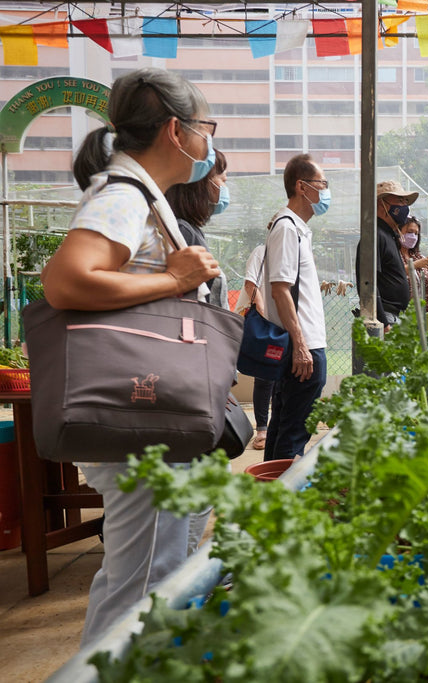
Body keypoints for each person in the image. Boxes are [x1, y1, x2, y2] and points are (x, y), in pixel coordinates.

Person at [41, 67, 221, 647]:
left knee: (146, 577)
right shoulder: (123, 197)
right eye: (205, 127)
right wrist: (173, 279)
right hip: (139, 424)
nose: (208, 141)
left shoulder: (143, 197)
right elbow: (66, 282)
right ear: (176, 130)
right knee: (143, 587)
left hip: (151, 419)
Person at [165, 148, 233, 555]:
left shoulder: (184, 229)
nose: (222, 187)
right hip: (192, 379)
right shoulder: (183, 234)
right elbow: (194, 315)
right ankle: (181, 583)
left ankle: (180, 574)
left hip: (192, 376)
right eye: (220, 177)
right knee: (199, 483)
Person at [261, 154, 328, 461]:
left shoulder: (295, 228)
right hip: (304, 348)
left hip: (304, 345)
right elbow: (280, 290)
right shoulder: (287, 228)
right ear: (302, 187)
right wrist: (301, 346)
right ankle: (281, 501)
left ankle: (269, 498)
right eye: (322, 184)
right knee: (294, 430)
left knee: (285, 425)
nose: (326, 191)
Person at [165, 148, 230, 308]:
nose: (225, 188)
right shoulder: (183, 231)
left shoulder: (190, 230)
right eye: (223, 180)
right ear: (201, 184)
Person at [357, 180, 419, 330]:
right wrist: (383, 322)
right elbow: (368, 283)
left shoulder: (388, 236)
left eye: (405, 201)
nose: (404, 206)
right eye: (399, 200)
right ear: (381, 204)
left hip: (394, 316)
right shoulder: (375, 235)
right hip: (385, 316)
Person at [237, 244, 272, 451]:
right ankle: (262, 429)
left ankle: (275, 425)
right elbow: (251, 285)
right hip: (266, 322)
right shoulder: (261, 251)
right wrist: (265, 314)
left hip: (287, 321)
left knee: (283, 376)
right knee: (265, 375)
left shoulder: (298, 250)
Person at [400, 215, 428, 313]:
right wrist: (415, 265)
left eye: (416, 234)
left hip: (425, 313)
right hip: (403, 314)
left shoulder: (419, 257)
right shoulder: (394, 255)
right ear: (398, 231)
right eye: (410, 232)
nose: (413, 237)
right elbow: (394, 274)